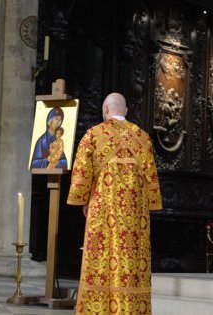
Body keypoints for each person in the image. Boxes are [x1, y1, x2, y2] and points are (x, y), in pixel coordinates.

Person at [67, 93, 162, 314]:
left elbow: (82, 172)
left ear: (105, 110)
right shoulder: (143, 137)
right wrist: (151, 204)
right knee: (130, 263)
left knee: (102, 259)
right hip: (135, 218)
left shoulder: (93, 135)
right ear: (126, 111)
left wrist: (82, 199)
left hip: (103, 210)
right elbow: (151, 179)